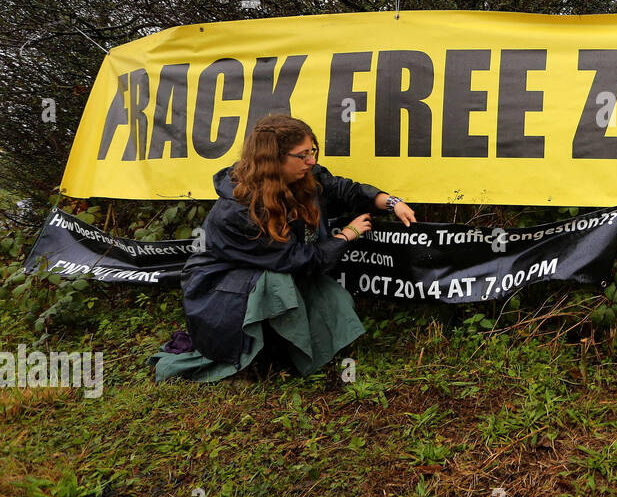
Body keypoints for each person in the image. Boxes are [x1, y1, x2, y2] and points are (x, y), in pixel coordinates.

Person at [149, 114, 416, 382]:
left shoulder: (303, 176)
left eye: (312, 152)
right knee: (279, 286)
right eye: (302, 155)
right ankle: (260, 357)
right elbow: (299, 260)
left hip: (269, 271)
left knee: (324, 294)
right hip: (221, 287)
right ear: (274, 160)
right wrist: (347, 235)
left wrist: (392, 202)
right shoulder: (238, 211)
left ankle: (291, 351)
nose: (311, 161)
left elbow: (342, 190)